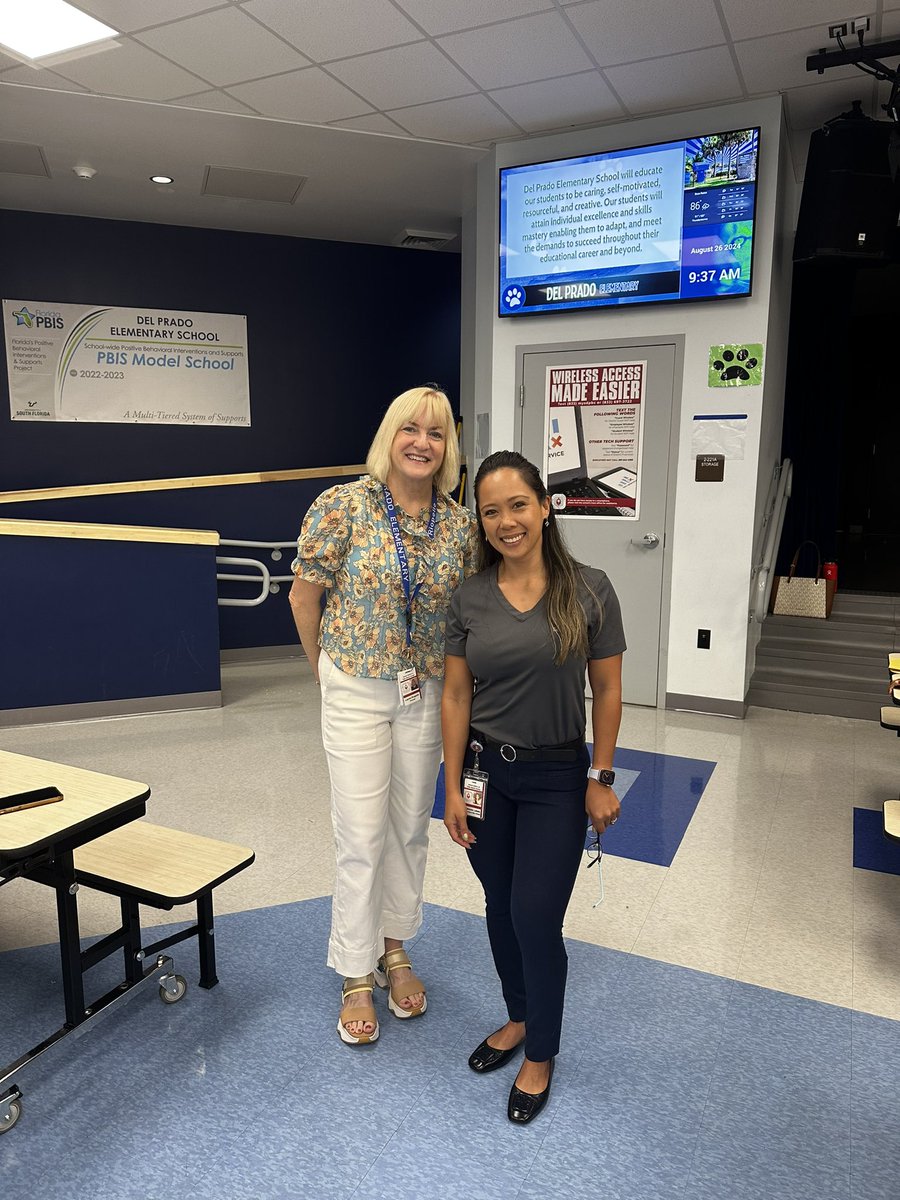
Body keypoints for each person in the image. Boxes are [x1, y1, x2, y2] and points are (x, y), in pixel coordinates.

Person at [290, 386, 479, 1046]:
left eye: (436, 433)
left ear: (448, 447)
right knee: (361, 834)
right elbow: (303, 595)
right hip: (354, 687)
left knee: (407, 830)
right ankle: (353, 971)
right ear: (389, 435)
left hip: (423, 693)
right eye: (410, 428)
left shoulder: (460, 526)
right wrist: (324, 670)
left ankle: (393, 947)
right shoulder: (343, 505)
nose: (422, 442)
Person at [441, 450, 626, 1123]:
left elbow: (606, 689)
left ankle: (540, 1052)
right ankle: (518, 1016)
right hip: (486, 772)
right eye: (490, 511)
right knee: (499, 903)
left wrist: (601, 777)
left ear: (545, 508)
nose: (505, 521)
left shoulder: (591, 589)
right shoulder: (469, 597)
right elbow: (457, 694)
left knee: (535, 916)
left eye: (518, 505)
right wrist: (455, 784)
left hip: (555, 776)